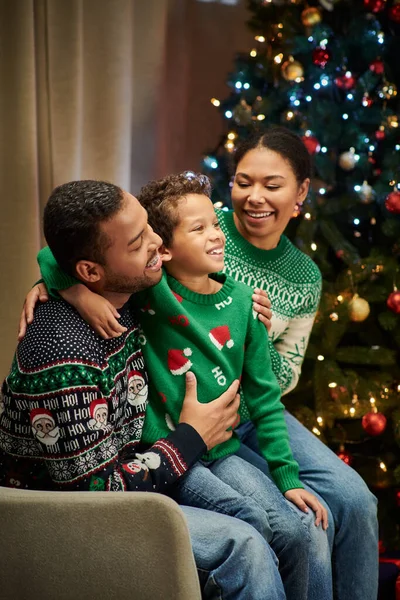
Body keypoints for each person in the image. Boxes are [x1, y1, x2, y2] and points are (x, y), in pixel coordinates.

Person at [34, 172, 328, 600]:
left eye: (216, 224)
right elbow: (54, 254)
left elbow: (266, 395)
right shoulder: (150, 295)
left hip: (219, 443)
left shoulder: (240, 301)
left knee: (301, 523)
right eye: (141, 242)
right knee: (251, 527)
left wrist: (287, 476)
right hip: (164, 453)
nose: (216, 235)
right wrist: (76, 292)